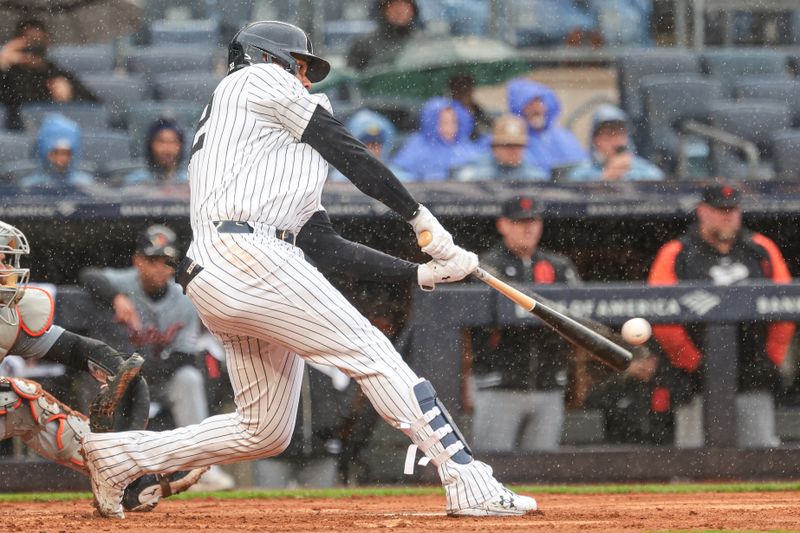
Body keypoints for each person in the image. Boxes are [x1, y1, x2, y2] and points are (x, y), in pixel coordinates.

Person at [81, 20, 537, 519]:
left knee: (264, 428)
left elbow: (321, 242)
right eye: (297, 66)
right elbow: (349, 151)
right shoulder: (254, 80)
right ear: (265, 56)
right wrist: (422, 220)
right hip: (249, 253)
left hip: (225, 268)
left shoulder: (266, 143)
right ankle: (467, 478)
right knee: (374, 355)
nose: (304, 79)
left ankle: (121, 455)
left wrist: (418, 274)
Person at [0, 220, 205, 511]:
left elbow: (71, 347)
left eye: (6, 261)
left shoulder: (8, 315)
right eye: (2, 261)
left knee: (28, 405)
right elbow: (91, 276)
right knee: (12, 396)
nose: (8, 270)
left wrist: (112, 362)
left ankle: (126, 477)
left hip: (164, 376)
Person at [79, 224, 234, 491]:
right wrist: (115, 297)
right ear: (137, 260)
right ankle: (103, 470)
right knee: (98, 384)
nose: (160, 267)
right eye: (152, 260)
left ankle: (202, 468)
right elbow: (88, 275)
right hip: (118, 380)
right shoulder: (124, 283)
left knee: (189, 378)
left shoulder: (184, 299)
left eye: (167, 260)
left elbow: (185, 357)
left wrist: (146, 375)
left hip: (159, 376)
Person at [648, 183, 795, 448]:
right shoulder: (677, 252)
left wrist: (771, 355)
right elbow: (663, 317)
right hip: (694, 375)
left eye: (732, 210)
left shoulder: (760, 249)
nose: (727, 216)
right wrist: (693, 362)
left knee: (759, 456)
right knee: (693, 459)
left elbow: (783, 308)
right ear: (702, 211)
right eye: (719, 210)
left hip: (751, 371)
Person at [471, 196, 581, 452]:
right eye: (519, 222)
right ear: (503, 225)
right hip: (499, 385)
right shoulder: (485, 266)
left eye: (532, 221)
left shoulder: (559, 266)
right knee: (492, 470)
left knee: (542, 473)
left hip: (548, 385)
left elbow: (579, 320)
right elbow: (473, 326)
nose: (527, 228)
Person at [0, 18, 97, 130]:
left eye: (38, 41)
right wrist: (3, 62)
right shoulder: (7, 75)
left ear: (47, 42)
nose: (33, 48)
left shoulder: (57, 74)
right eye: (28, 42)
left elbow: (95, 107)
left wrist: (70, 97)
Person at [506, 78, 587, 175]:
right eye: (529, 103)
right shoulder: (509, 139)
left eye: (539, 102)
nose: (536, 108)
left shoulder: (564, 136)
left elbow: (583, 168)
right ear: (518, 108)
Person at [566, 104, 664, 182]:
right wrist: (606, 178)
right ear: (595, 140)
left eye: (620, 134)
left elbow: (658, 187)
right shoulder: (581, 175)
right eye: (608, 135)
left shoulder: (646, 172)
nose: (615, 141)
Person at [391, 97, 481, 180]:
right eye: (444, 122)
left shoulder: (465, 147)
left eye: (453, 122)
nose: (449, 128)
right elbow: (398, 174)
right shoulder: (417, 146)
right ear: (431, 123)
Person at [454, 114, 549, 182]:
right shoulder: (476, 174)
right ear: (494, 147)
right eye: (507, 145)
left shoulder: (536, 177)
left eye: (518, 146)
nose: (513, 151)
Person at [328, 109, 409, 181]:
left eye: (377, 144)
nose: (373, 150)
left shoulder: (399, 179)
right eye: (367, 144)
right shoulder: (339, 179)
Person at [19, 113, 94, 189]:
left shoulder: (85, 185)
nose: (61, 158)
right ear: (45, 153)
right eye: (55, 153)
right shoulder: (30, 186)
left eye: (66, 153)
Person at [346, 0, 421, 71]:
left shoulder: (423, 41)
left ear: (413, 10)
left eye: (404, 5)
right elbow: (351, 79)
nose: (400, 10)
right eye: (394, 5)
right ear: (383, 10)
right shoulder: (363, 45)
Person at [124, 118, 188, 185]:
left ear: (181, 145)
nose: (167, 149)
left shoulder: (190, 182)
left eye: (173, 141)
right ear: (150, 144)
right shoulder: (134, 181)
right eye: (161, 141)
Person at [447, 72, 493, 141]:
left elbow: (490, 124)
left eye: (468, 87)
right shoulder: (449, 113)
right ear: (454, 92)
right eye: (461, 88)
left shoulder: (477, 109)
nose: (466, 92)